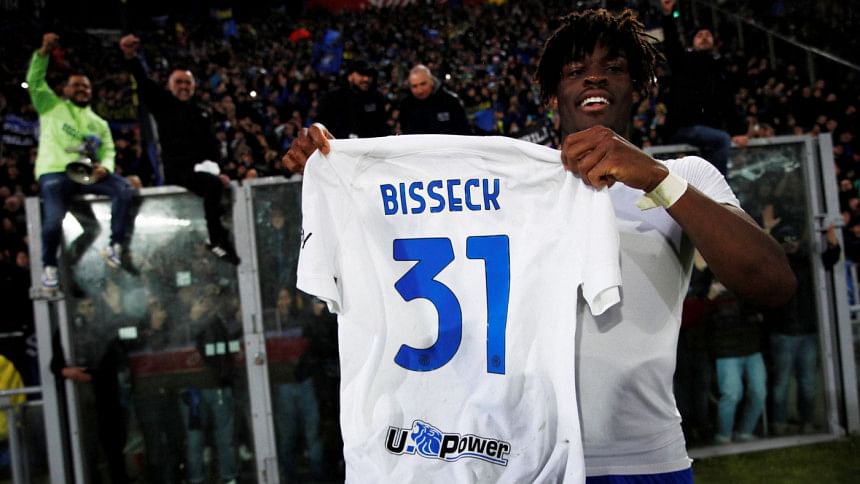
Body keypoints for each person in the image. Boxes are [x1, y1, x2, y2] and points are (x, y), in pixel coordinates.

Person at [284, 8, 795, 483]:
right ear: (552, 96)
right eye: (575, 70)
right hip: (519, 460)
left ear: (639, 87)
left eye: (614, 68)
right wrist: (337, 172)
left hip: (641, 458)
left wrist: (656, 179)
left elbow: (773, 284)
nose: (594, 78)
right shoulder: (506, 194)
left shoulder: (684, 176)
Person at [118, 34, 239, 265]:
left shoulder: (202, 112)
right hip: (178, 171)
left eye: (187, 83)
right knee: (213, 186)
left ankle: (221, 239)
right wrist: (131, 57)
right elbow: (143, 81)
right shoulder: (163, 104)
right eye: (179, 82)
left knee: (220, 185)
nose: (183, 86)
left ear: (193, 86)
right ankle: (217, 240)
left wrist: (220, 171)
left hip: (203, 171)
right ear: (169, 85)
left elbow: (211, 146)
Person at [28, 33, 135, 288]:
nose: (82, 90)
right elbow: (34, 81)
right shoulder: (50, 106)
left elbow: (108, 150)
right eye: (76, 85)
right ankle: (49, 266)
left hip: (86, 174)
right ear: (64, 89)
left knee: (123, 188)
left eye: (86, 87)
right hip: (55, 172)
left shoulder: (99, 123)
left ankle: (115, 246)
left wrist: (105, 168)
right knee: (54, 219)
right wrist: (43, 53)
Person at [660, 0, 748, 175]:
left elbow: (728, 102)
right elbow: (672, 43)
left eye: (708, 34)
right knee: (722, 140)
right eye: (700, 35)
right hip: (684, 128)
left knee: (718, 142)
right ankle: (716, 188)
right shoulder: (683, 61)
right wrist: (668, 15)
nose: (705, 37)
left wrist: (738, 131)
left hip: (710, 130)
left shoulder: (720, 67)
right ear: (692, 42)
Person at [314, 59, 389, 139]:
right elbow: (321, 126)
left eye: (369, 75)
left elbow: (382, 127)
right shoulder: (333, 97)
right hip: (339, 144)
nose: (366, 79)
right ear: (350, 76)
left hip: (370, 145)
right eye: (361, 74)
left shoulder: (377, 98)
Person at [397, 64, 472, 135]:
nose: (420, 90)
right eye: (414, 86)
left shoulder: (451, 102)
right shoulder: (406, 105)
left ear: (432, 81)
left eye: (423, 84)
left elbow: (465, 132)